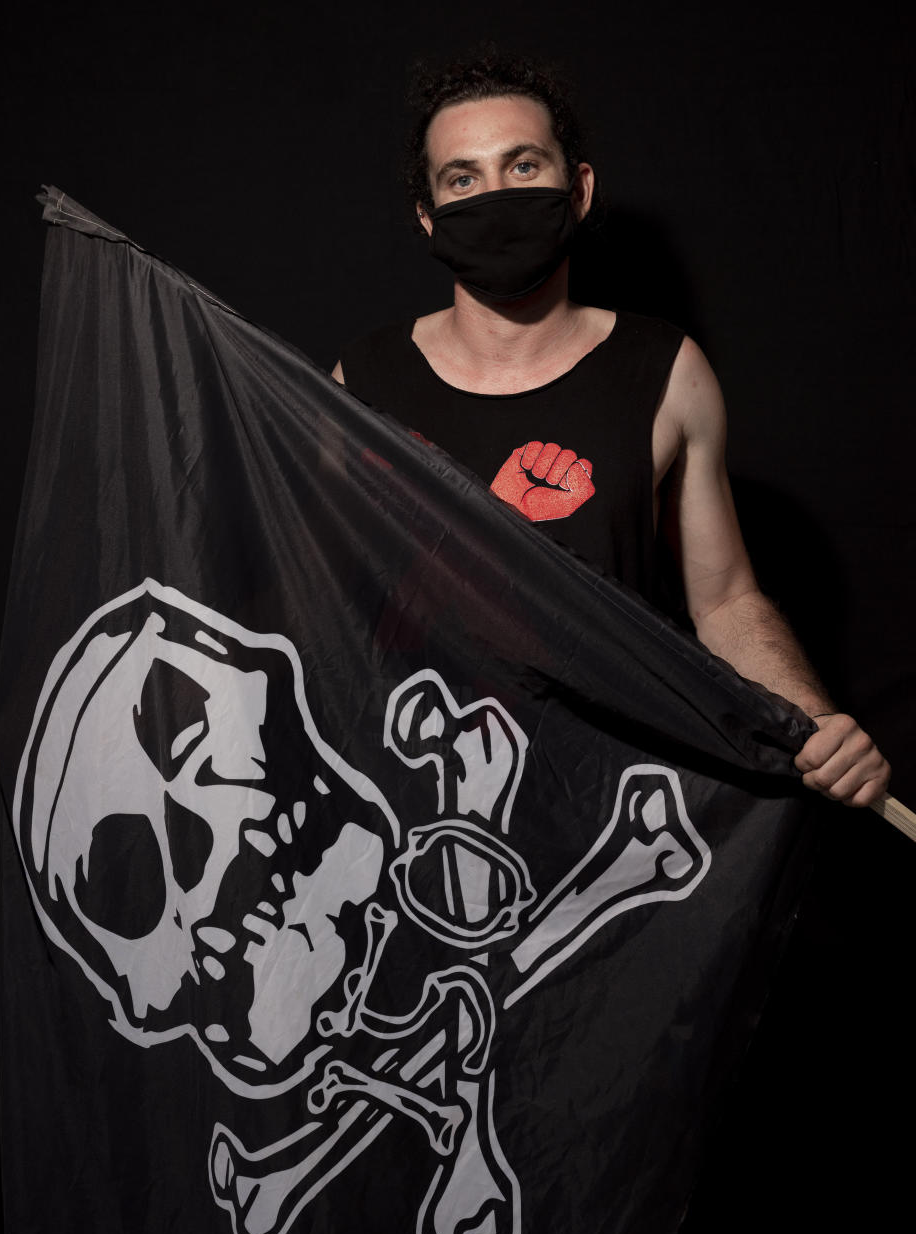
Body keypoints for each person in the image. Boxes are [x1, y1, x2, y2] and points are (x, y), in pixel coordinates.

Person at [330, 51, 889, 807]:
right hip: (416, 785)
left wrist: (816, 723)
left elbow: (723, 599)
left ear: (580, 189)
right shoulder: (361, 380)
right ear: (428, 216)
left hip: (605, 792)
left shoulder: (665, 371)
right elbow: (323, 594)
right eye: (463, 179)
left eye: (523, 166)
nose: (496, 196)